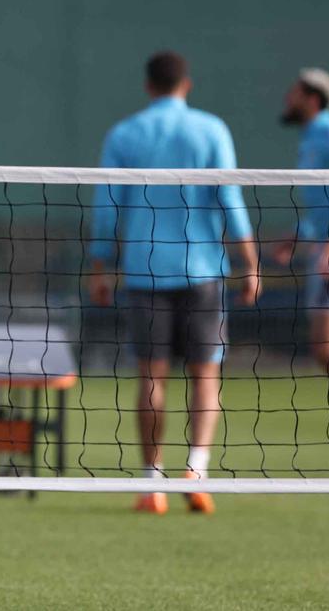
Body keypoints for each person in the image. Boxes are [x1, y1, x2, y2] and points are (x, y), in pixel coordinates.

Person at [88, 51, 261, 516]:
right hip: (204, 271)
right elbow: (230, 197)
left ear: (148, 86)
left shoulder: (124, 133)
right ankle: (196, 471)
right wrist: (251, 263)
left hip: (144, 271)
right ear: (186, 83)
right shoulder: (211, 130)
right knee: (206, 374)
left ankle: (152, 484)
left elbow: (108, 204)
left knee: (150, 376)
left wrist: (100, 266)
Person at [276, 67, 329, 396]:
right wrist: (298, 233)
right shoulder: (310, 138)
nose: (288, 98)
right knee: (325, 349)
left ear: (313, 99)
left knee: (327, 347)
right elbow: (325, 205)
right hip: (324, 250)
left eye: (295, 92)